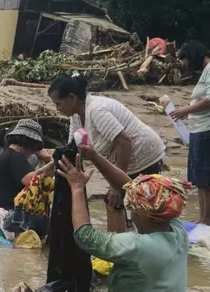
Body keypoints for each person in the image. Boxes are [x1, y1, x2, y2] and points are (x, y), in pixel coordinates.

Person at [52, 144, 191, 292]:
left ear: (142, 214)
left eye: (133, 207)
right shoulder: (178, 232)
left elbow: (84, 235)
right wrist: (95, 157)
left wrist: (77, 187)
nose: (131, 210)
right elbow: (131, 187)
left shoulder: (135, 246)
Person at [42, 74, 166, 233]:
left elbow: (125, 142)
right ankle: (119, 248)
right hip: (125, 158)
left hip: (143, 154)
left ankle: (130, 246)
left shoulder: (96, 110)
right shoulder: (76, 116)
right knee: (115, 203)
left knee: (140, 208)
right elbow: (72, 149)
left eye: (58, 104)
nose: (57, 109)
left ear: (71, 98)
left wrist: (116, 186)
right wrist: (48, 168)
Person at [171, 41, 210, 225]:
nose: (187, 64)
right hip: (200, 129)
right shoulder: (208, 70)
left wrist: (185, 110)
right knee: (200, 178)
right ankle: (203, 218)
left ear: (194, 55)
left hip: (209, 128)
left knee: (208, 176)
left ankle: (207, 219)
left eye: (187, 59)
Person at [0, 119, 51, 243]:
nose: (33, 153)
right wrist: (51, 163)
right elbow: (33, 181)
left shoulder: (5, 156)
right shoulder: (15, 157)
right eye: (34, 148)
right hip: (7, 217)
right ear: (28, 143)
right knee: (47, 223)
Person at [0, 128, 51, 199]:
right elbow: (27, 180)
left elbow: (42, 155)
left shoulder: (19, 150)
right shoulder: (0, 155)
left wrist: (45, 157)